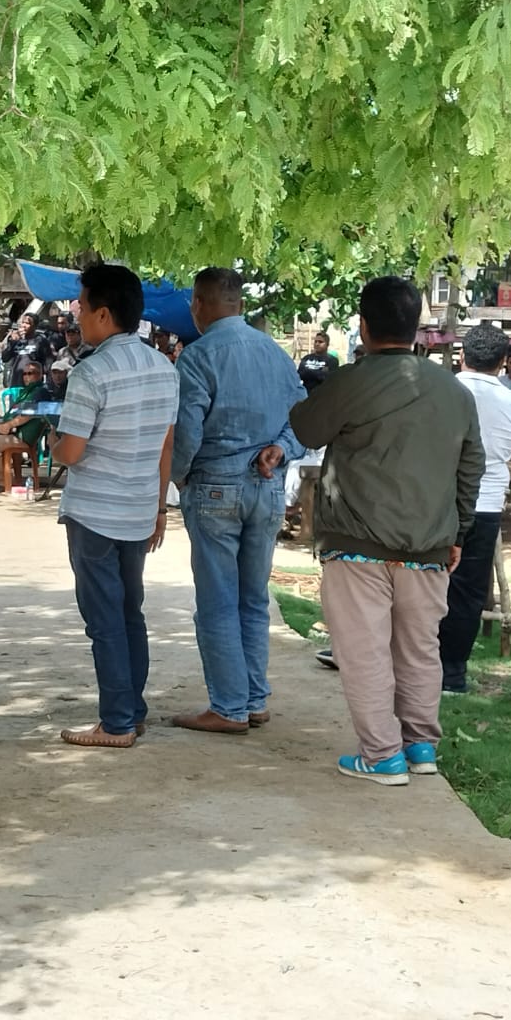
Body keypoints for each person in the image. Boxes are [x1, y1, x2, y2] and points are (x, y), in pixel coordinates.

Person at [290, 277, 483, 784]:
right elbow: (471, 466)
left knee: (364, 650)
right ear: (416, 323)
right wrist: (458, 532)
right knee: (420, 647)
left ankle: (381, 755)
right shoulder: (453, 390)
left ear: (364, 324)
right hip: (432, 545)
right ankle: (421, 747)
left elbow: (307, 429)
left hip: (357, 543)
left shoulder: (351, 380)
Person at [167, 267, 304, 735]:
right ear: (240, 305)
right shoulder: (276, 354)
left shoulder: (197, 357)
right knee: (253, 597)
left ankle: (228, 707)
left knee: (218, 600)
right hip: (267, 486)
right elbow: (304, 418)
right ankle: (254, 698)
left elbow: (186, 432)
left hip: (215, 486)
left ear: (199, 305)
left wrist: (177, 478)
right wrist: (281, 449)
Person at [47, 264, 179, 749]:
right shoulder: (164, 368)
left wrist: (54, 448)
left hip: (95, 514)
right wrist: (161, 507)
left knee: (103, 617)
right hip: (139, 509)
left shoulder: (92, 372)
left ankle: (118, 722)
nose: (77, 315)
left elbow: (73, 451)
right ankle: (133, 709)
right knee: (129, 613)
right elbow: (168, 446)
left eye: (81, 307)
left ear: (104, 313)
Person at [439, 324, 511, 694]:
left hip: (438, 501)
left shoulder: (440, 393)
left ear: (462, 355)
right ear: (501, 362)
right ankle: (453, 673)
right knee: (468, 592)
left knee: (422, 583)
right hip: (486, 504)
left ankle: (415, 665)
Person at [0, 362, 49, 491]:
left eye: (30, 373)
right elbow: (11, 414)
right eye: (24, 374)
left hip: (21, 436)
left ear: (40, 375)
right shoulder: (25, 392)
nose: (26, 377)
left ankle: (4, 480)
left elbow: (27, 415)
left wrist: (8, 425)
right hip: (8, 432)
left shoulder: (40, 391)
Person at [2, 311, 54, 387]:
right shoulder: (15, 340)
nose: (24, 326)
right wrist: (12, 342)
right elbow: (5, 358)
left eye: (28, 323)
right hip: (16, 383)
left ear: (35, 326)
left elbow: (48, 362)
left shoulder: (41, 341)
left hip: (33, 385)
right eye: (23, 322)